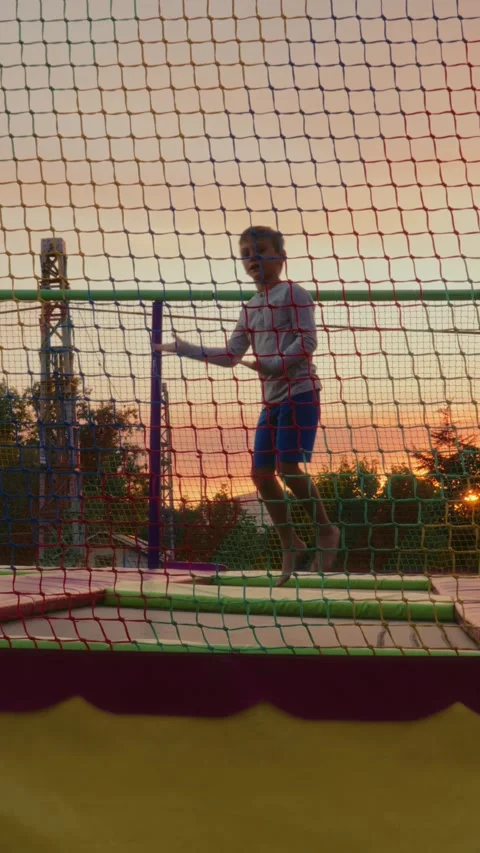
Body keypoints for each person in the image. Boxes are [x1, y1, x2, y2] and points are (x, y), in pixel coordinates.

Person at [154, 225, 340, 584]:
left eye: (262, 252)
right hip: (271, 401)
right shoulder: (250, 307)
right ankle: (291, 542)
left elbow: (307, 342)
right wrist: (186, 349)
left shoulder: (294, 294)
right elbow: (230, 355)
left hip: (300, 392)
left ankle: (326, 530)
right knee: (261, 475)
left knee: (288, 468)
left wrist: (273, 364)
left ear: (280, 258)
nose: (253, 259)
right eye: (246, 255)